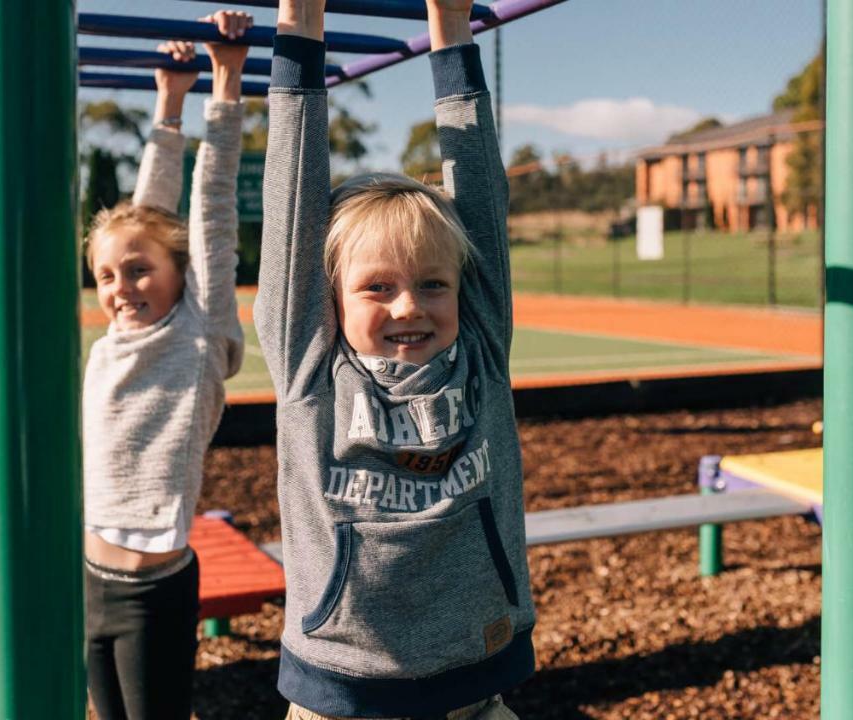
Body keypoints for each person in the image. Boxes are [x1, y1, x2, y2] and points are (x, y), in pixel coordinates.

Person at [256, 1, 533, 717]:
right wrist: (300, 22)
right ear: (332, 298)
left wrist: (450, 28)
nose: (409, 307)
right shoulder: (313, 369)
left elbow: (477, 191)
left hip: (475, 674)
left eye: (431, 285)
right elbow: (293, 205)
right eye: (378, 288)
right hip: (343, 686)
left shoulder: (479, 350)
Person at [80, 10, 252, 718]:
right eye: (106, 276)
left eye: (139, 272)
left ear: (181, 273)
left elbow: (206, 207)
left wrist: (224, 79)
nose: (122, 287)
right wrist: (168, 100)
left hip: (155, 590)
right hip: (88, 578)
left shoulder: (199, 334)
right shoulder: (111, 343)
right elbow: (143, 223)